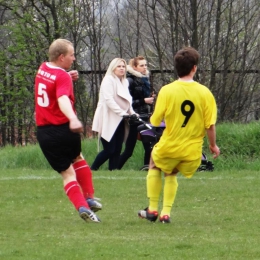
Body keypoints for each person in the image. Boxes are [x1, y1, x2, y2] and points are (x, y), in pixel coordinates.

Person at [138, 47, 220, 223]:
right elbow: (210, 125)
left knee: (154, 163)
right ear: (194, 68)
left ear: (176, 68)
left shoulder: (167, 91)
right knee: (171, 172)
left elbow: (155, 120)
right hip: (192, 152)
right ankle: (165, 213)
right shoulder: (205, 93)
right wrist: (213, 146)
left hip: (169, 146)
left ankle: (152, 209)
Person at [35, 39, 101, 223]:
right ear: (61, 56)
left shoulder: (43, 69)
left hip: (44, 134)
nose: (74, 58)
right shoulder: (62, 77)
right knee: (78, 159)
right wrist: (72, 118)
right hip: (64, 129)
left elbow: (52, 83)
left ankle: (82, 206)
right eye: (71, 55)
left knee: (67, 173)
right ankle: (87, 198)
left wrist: (66, 75)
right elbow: (62, 98)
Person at [91, 58, 136, 171]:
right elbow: (109, 100)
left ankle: (113, 171)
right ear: (113, 68)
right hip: (108, 118)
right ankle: (92, 169)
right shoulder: (108, 80)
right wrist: (122, 113)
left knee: (117, 149)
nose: (122, 68)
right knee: (109, 149)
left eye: (123, 66)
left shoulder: (124, 82)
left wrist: (132, 113)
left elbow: (127, 101)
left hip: (120, 119)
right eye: (119, 66)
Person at [117, 56, 156, 169]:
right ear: (134, 67)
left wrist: (149, 98)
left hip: (144, 116)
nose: (144, 67)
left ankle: (146, 168)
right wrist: (144, 100)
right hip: (135, 118)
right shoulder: (129, 80)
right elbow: (127, 103)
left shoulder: (145, 79)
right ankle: (114, 168)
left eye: (145, 65)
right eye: (141, 65)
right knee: (129, 150)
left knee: (148, 146)